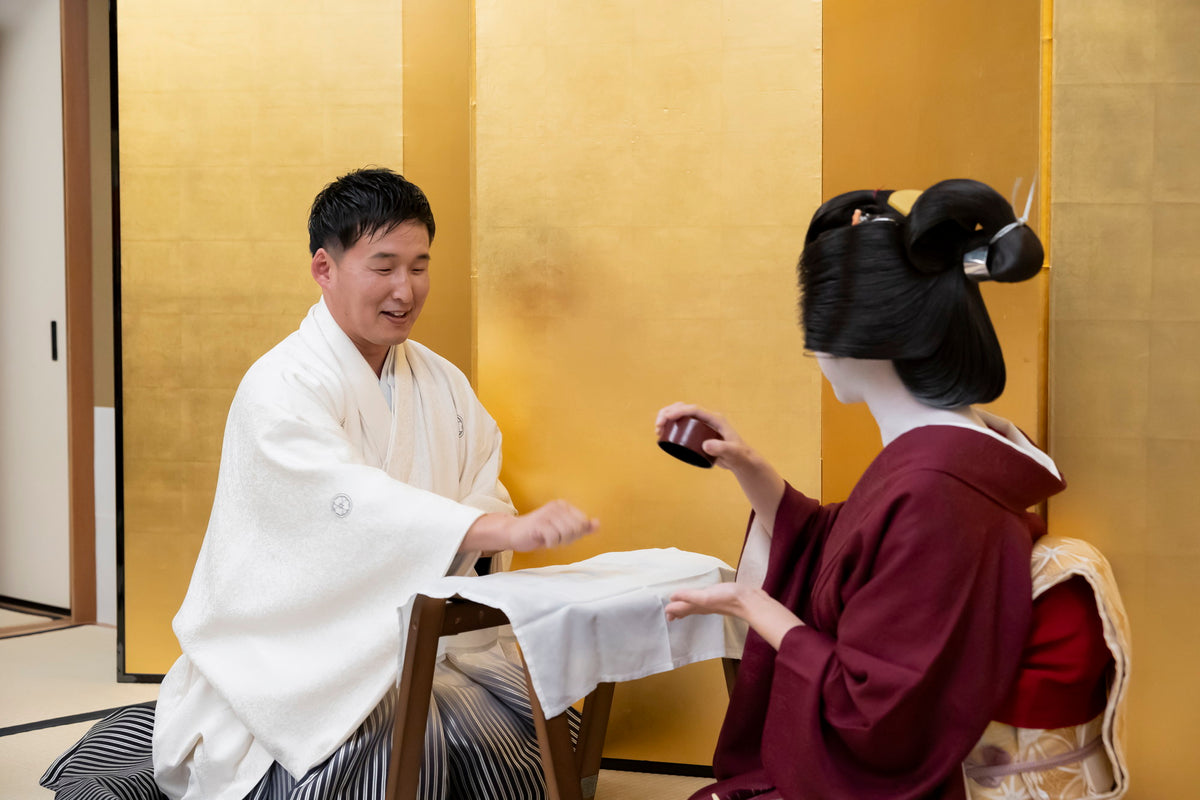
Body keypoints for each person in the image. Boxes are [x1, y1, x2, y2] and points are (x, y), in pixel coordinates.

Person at [42, 168, 598, 800]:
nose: (405, 290)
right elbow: (339, 502)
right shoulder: (280, 384)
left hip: (422, 650)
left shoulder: (443, 382)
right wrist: (484, 529)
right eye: (382, 266)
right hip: (294, 655)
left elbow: (483, 481)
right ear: (324, 269)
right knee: (380, 761)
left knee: (536, 740)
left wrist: (478, 523)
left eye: (419, 266)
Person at [658, 179, 1113, 800]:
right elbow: (849, 552)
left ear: (856, 336)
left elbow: (877, 716)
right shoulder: (955, 452)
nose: (813, 351)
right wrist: (750, 469)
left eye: (814, 328)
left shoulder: (936, 491)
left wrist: (749, 605)